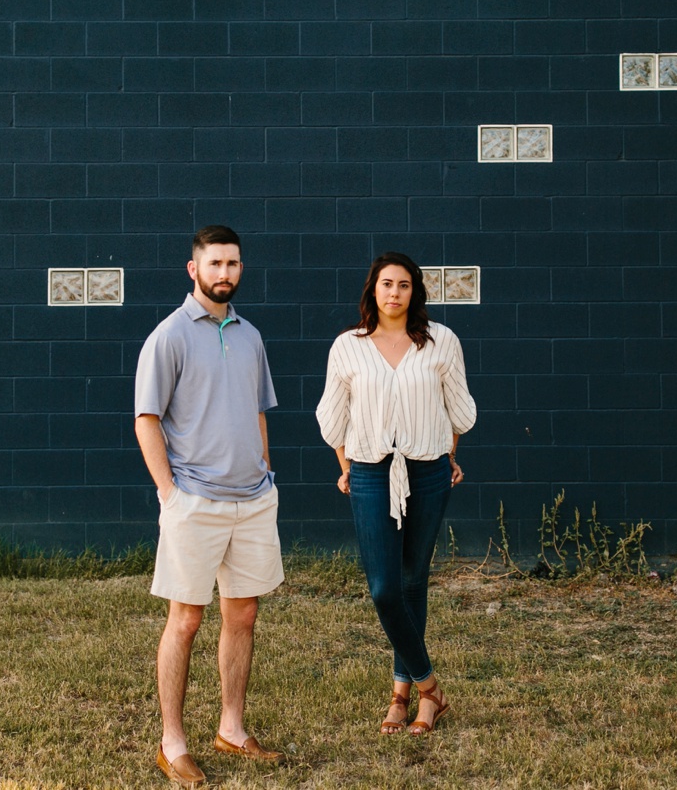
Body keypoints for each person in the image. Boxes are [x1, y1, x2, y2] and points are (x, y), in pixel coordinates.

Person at [134, 225, 285, 787]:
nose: (226, 273)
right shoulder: (169, 336)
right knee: (186, 621)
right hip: (194, 502)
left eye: (234, 264)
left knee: (242, 615)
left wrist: (265, 472)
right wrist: (171, 495)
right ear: (193, 269)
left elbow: (258, 409)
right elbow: (145, 419)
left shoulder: (250, 336)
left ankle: (233, 728)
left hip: (252, 501)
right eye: (215, 263)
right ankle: (173, 744)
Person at [315, 251, 477, 736]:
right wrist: (347, 469)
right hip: (369, 473)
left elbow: (459, 410)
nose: (394, 293)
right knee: (385, 589)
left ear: (415, 292)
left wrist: (448, 455)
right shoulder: (349, 346)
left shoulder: (440, 341)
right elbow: (333, 417)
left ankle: (404, 696)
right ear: (373, 289)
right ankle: (432, 689)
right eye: (387, 283)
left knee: (413, 582)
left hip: (428, 473)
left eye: (404, 285)